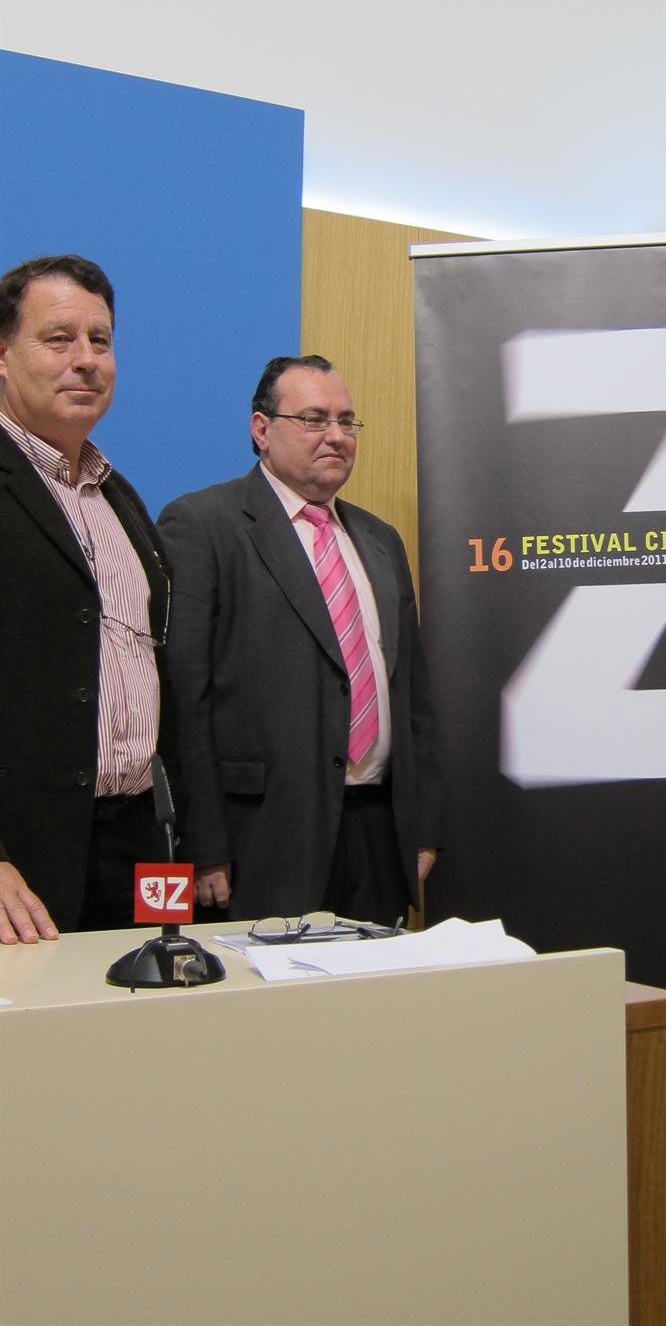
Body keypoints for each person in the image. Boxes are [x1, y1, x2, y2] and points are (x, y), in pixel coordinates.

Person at [157, 354, 444, 925]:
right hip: (260, 840)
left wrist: (422, 825)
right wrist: (204, 844)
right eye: (313, 419)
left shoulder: (380, 540)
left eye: (346, 421)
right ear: (261, 430)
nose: (336, 436)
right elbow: (184, 699)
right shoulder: (203, 525)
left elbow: (413, 697)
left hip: (378, 834)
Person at [0, 255, 176, 944]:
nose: (86, 360)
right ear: (3, 356)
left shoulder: (118, 496)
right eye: (58, 339)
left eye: (100, 341)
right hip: (23, 855)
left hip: (135, 842)